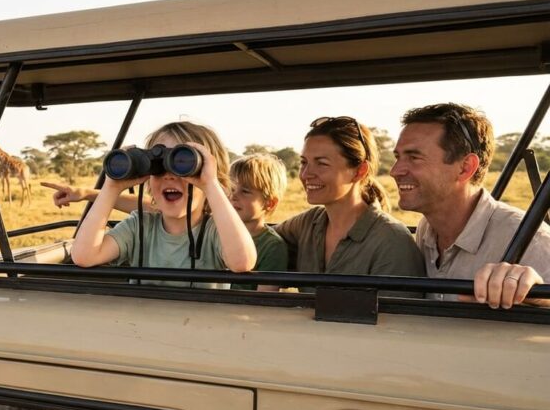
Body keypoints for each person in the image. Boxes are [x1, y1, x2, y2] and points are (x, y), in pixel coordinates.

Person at [391, 102, 550, 308]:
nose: (395, 171)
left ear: (465, 168)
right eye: (398, 157)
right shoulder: (427, 229)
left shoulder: (531, 241)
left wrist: (539, 296)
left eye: (414, 157)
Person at [70, 121, 257, 284]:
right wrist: (111, 188)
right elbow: (84, 256)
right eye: (158, 166)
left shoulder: (216, 231)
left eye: (183, 164)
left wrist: (210, 184)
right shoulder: (139, 226)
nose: (169, 176)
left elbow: (242, 262)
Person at [273, 116, 425, 286]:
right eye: (304, 162)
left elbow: (396, 311)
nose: (306, 174)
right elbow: (260, 244)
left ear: (360, 171)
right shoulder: (308, 224)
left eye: (322, 164)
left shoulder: (392, 242)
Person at [227, 154, 289, 291]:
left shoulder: (272, 246)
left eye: (245, 191)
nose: (233, 196)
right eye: (231, 189)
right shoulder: (215, 231)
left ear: (269, 203)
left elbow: (265, 298)